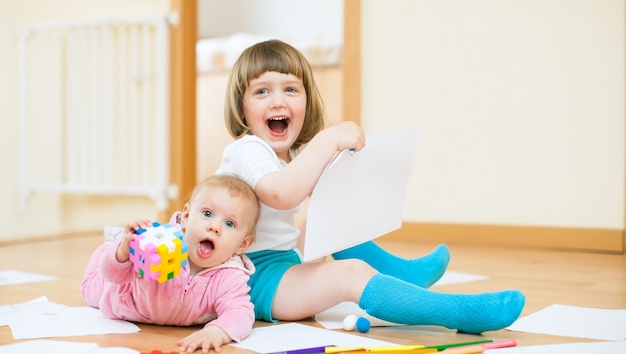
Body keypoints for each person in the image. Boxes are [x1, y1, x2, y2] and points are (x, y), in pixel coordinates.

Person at [215, 39, 526, 334]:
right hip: (251, 279)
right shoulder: (248, 150)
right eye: (262, 92)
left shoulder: (289, 155)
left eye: (291, 89)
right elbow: (280, 193)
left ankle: (400, 274)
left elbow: (328, 195)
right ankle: (457, 312)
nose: (278, 101)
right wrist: (326, 141)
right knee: (350, 273)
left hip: (279, 261)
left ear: (306, 102)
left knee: (332, 214)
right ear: (241, 109)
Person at [80, 174, 260, 353]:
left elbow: (240, 312)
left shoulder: (231, 275)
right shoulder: (162, 246)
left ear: (242, 244)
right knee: (90, 290)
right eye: (207, 213)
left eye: (229, 223)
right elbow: (113, 275)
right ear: (186, 217)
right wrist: (123, 252)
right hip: (120, 292)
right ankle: (111, 246)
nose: (215, 226)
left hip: (159, 314)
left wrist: (217, 331)